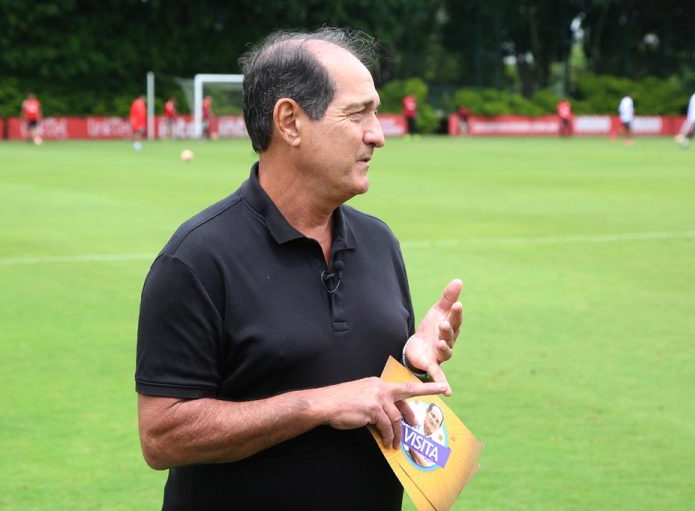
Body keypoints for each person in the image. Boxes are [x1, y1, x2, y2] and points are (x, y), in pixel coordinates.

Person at [136, 28, 464, 511]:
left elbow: (375, 401)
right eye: (358, 114)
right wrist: (319, 405)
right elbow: (162, 437)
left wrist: (414, 364)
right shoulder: (197, 258)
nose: (378, 133)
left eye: (376, 112)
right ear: (290, 122)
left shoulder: (379, 242)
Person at [406, 402, 445, 468]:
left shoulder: (437, 450)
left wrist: (414, 451)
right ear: (427, 411)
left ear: (438, 427)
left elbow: (429, 469)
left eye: (437, 421)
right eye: (433, 415)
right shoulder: (410, 424)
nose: (433, 421)